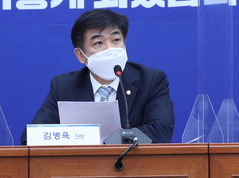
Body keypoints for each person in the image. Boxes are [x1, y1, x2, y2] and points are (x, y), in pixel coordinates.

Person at [21, 9, 174, 144]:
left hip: (134, 165)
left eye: (116, 40)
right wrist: (85, 139)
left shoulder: (150, 80)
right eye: (99, 43)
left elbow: (161, 131)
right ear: (81, 55)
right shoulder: (64, 86)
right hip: (82, 167)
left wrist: (109, 142)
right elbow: (31, 137)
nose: (110, 49)